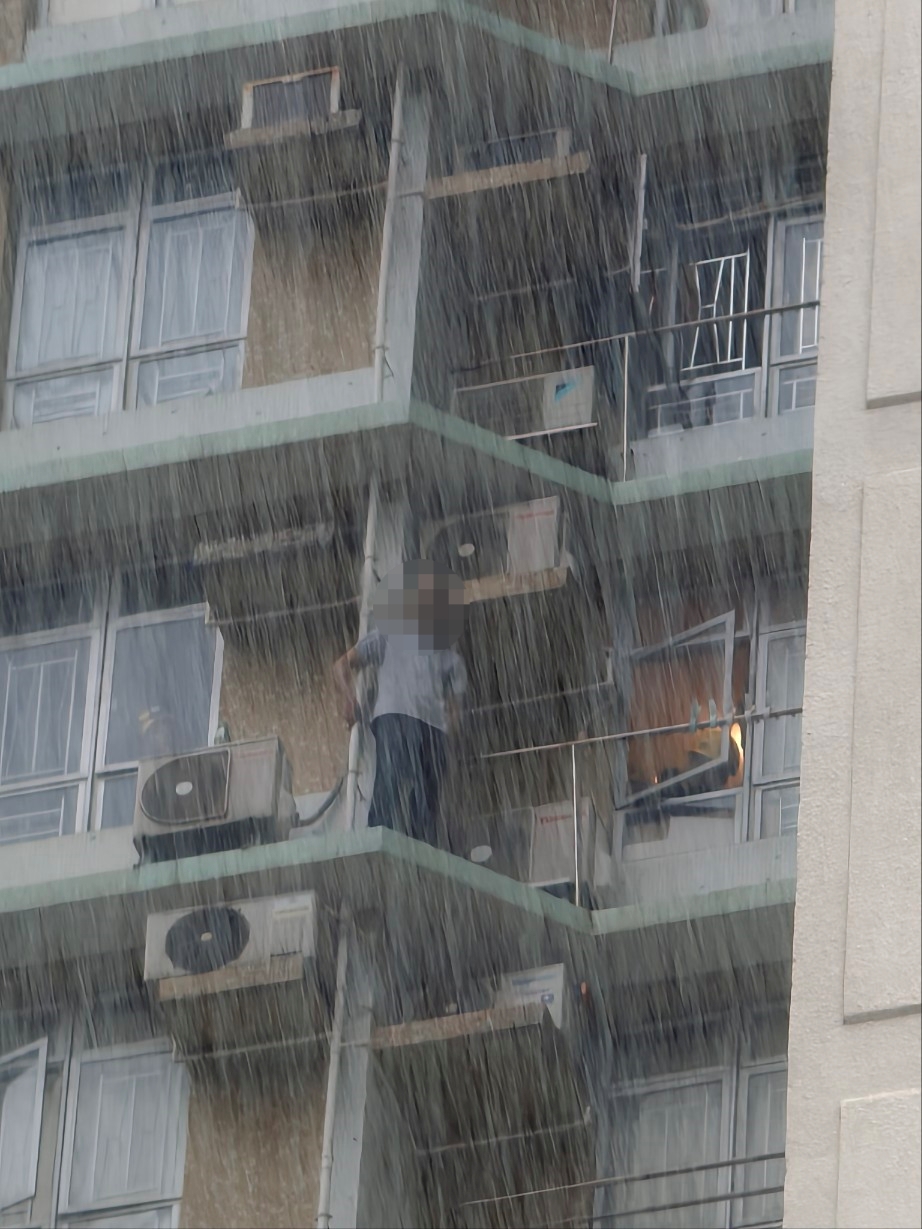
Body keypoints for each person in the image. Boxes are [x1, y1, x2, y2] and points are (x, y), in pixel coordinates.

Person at [333, 560, 467, 846]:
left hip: (430, 729)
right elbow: (342, 664)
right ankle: (379, 850)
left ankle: (415, 854)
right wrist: (349, 699)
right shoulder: (390, 633)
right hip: (397, 720)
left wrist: (449, 738)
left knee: (424, 803)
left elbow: (455, 706)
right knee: (390, 793)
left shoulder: (447, 649)